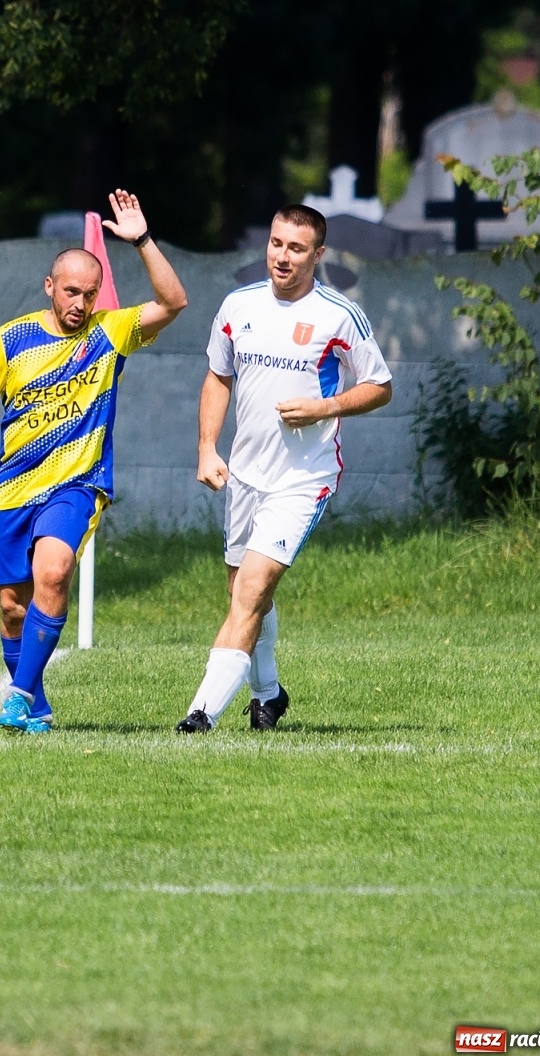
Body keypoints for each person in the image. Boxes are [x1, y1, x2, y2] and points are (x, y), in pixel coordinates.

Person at [0, 190, 188, 734]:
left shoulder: (111, 331)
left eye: (89, 294)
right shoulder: (12, 339)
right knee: (13, 608)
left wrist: (142, 242)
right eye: (71, 292)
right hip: (14, 488)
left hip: (77, 484)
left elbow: (174, 302)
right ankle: (35, 700)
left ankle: (16, 698)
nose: (81, 304)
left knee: (54, 571)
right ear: (49, 287)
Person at [175, 204, 392, 733]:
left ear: (318, 255)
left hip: (303, 479)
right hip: (245, 475)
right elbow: (217, 378)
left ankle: (200, 714)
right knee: (244, 594)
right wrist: (207, 449)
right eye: (276, 244)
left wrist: (325, 406)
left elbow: (380, 387)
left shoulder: (339, 315)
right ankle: (268, 696)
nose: (282, 256)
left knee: (251, 590)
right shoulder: (237, 306)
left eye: (296, 248)